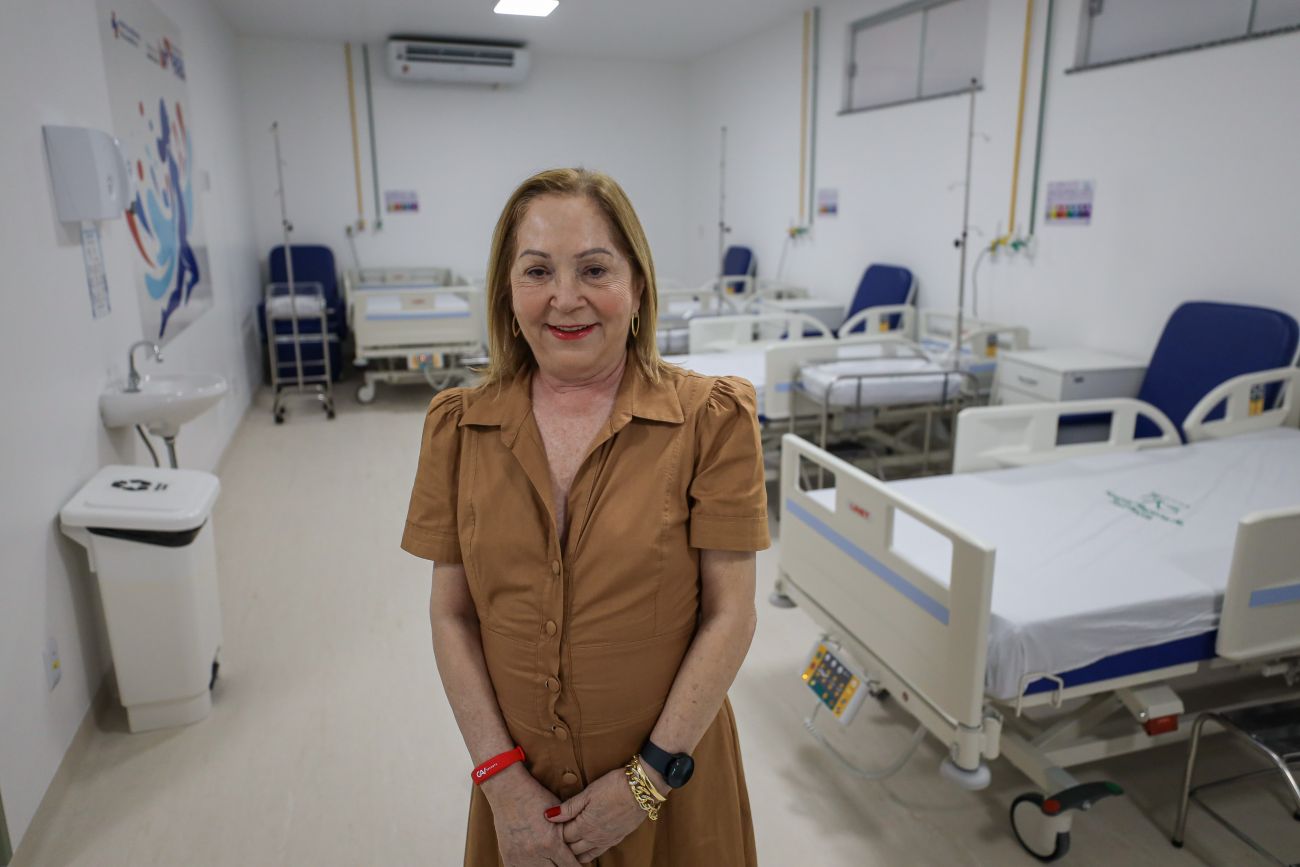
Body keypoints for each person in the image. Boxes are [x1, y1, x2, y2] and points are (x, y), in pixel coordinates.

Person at [402, 167, 769, 866]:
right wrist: (503, 785)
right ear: (508, 292)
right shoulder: (459, 427)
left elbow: (732, 614)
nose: (565, 298)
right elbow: (451, 615)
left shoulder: (711, 420)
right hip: (521, 798)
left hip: (671, 790)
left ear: (638, 287)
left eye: (594, 269)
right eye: (537, 270)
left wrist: (648, 781)